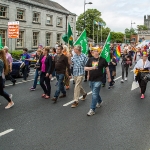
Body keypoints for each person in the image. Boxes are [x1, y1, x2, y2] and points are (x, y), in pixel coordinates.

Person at [85, 48, 111, 116]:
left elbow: (107, 69)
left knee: (94, 94)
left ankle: (92, 109)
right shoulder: (90, 59)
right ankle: (99, 101)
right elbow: (85, 68)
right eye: (94, 51)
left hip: (99, 79)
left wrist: (109, 77)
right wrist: (89, 73)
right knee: (94, 93)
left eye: (97, 51)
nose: (95, 52)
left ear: (99, 52)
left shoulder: (103, 60)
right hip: (91, 79)